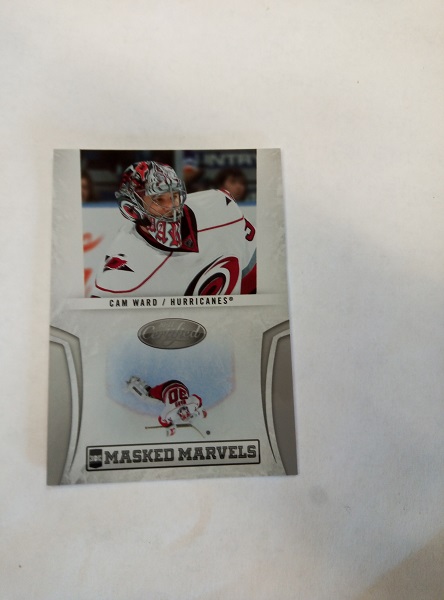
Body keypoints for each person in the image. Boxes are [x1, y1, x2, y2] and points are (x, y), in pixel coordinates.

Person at [90, 161, 256, 297]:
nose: (171, 207)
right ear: (132, 209)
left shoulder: (221, 209)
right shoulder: (122, 269)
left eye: (174, 196)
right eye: (159, 199)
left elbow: (256, 275)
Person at [127, 376, 207, 437]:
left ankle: (139, 383)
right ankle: (132, 385)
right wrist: (169, 426)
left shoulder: (192, 403)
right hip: (164, 388)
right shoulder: (170, 412)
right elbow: (161, 420)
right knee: (149, 398)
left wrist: (200, 408)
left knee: (178, 396)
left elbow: (197, 398)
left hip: (179, 384)